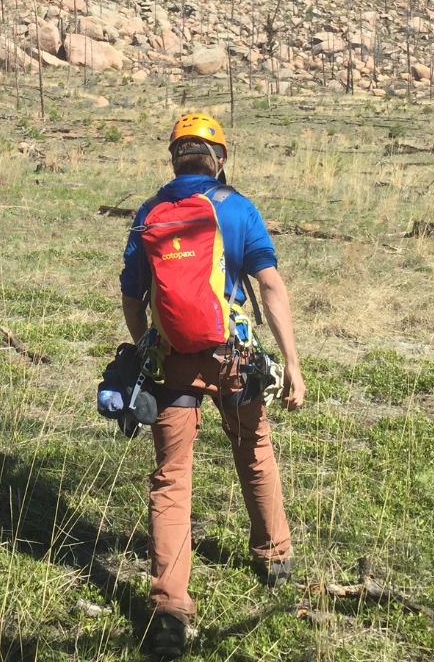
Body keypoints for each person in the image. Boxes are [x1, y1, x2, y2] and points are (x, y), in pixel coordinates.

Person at [118, 112, 305, 658]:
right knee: (255, 450)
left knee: (171, 480)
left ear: (174, 159)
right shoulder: (238, 208)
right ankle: (274, 554)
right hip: (235, 359)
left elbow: (132, 297)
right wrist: (292, 362)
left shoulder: (151, 212)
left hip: (174, 361)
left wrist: (148, 343)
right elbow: (269, 283)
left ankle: (170, 607)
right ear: (219, 159)